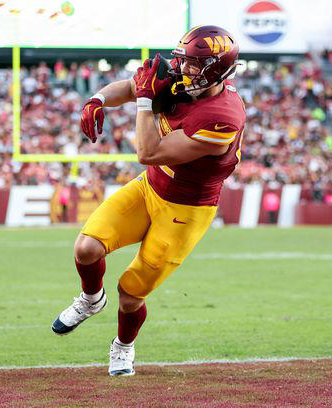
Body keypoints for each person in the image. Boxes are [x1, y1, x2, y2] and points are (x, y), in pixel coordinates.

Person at [51, 25, 245, 376]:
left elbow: (149, 151)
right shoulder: (182, 76)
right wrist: (96, 100)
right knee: (86, 248)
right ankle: (91, 300)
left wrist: (144, 101)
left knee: (130, 293)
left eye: (192, 64)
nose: (181, 69)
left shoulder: (222, 118)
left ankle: (123, 346)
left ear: (215, 69)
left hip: (187, 209)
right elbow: (129, 87)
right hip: (150, 188)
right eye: (182, 60)